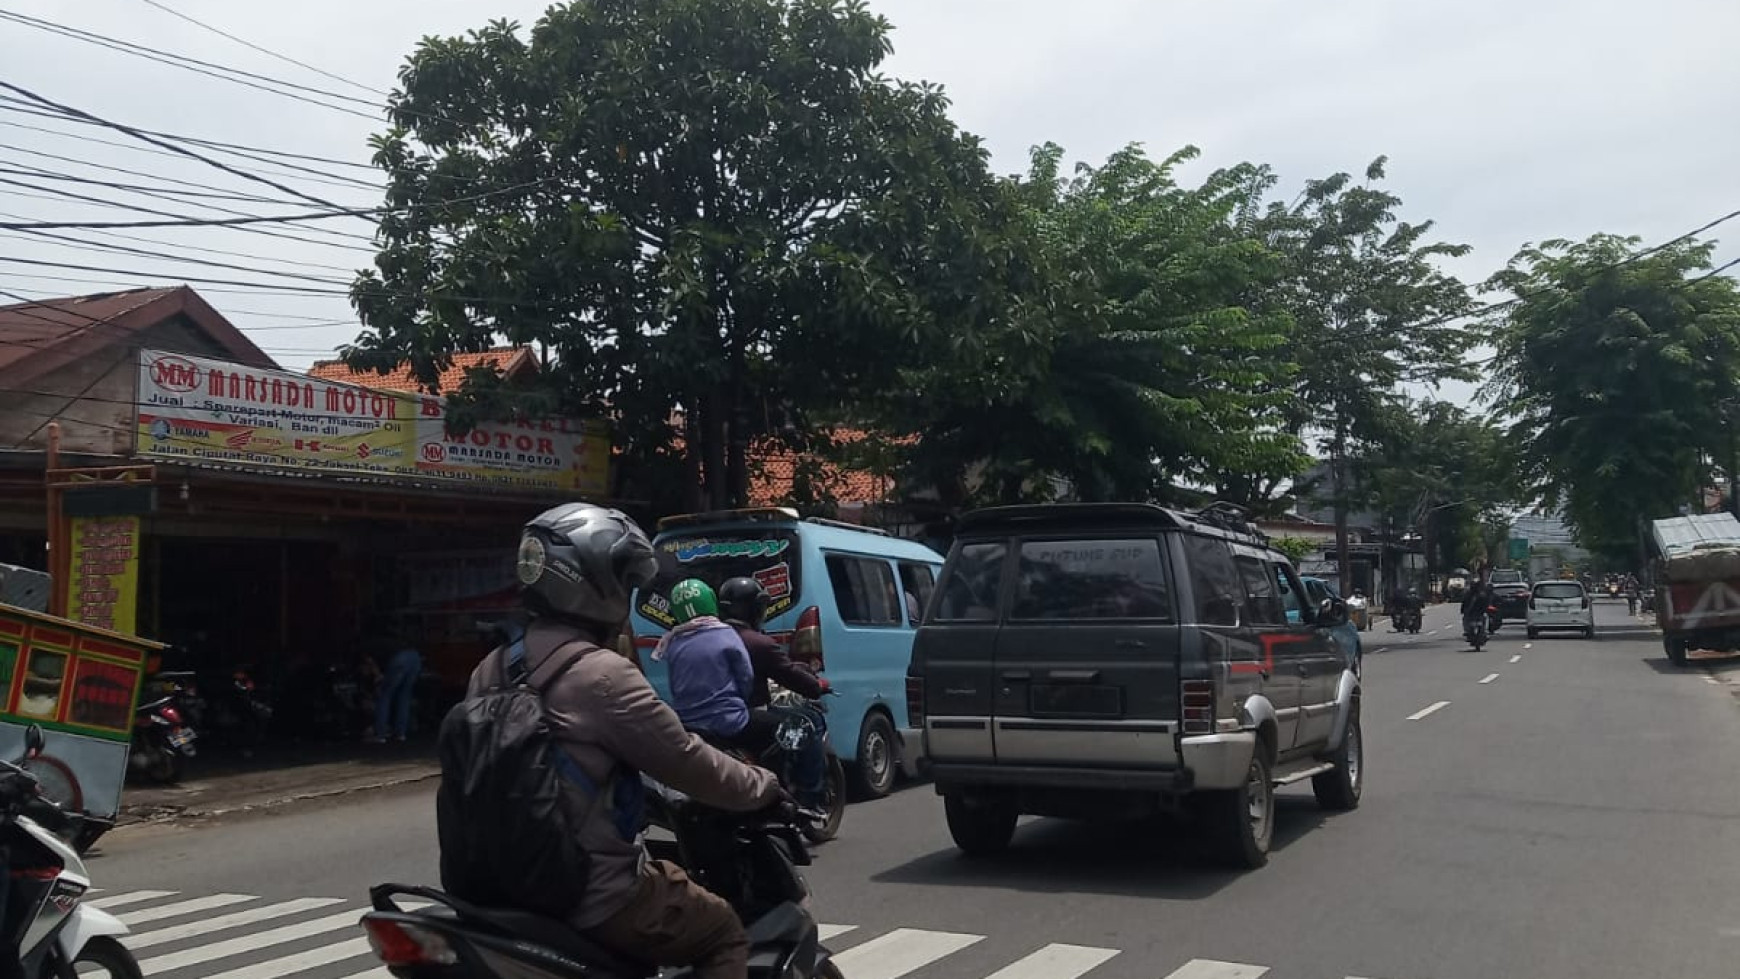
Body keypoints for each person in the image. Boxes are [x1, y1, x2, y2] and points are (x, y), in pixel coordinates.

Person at [470, 503, 780, 979]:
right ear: (588, 577)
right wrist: (763, 785)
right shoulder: (603, 676)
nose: (626, 593)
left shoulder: (489, 669)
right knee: (723, 932)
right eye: (621, 576)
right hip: (592, 895)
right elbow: (689, 762)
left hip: (494, 892)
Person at [716, 577, 830, 808]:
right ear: (754, 609)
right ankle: (807, 798)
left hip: (705, 718)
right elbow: (788, 674)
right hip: (748, 715)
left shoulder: (704, 639)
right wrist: (815, 686)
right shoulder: (757, 643)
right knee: (809, 721)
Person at [369, 635, 423, 744]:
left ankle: (381, 734)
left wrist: (378, 676)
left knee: (385, 696)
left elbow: (371, 663)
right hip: (414, 657)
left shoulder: (367, 647)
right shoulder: (389, 641)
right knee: (404, 696)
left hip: (399, 659)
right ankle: (401, 733)